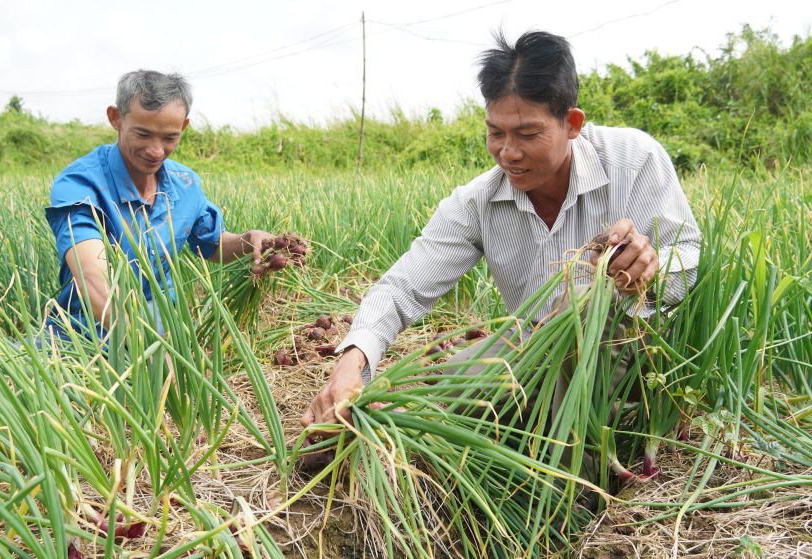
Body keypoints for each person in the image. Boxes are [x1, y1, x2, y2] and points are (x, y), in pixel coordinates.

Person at [302, 30, 701, 429]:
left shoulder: (633, 159)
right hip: (533, 355)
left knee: (583, 301)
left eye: (527, 134)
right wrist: (353, 359)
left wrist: (649, 267)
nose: (508, 152)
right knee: (446, 384)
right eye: (496, 133)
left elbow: (689, 256)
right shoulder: (478, 202)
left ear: (572, 123)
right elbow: (403, 287)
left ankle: (575, 462)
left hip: (636, 359)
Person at [44, 70, 273, 341]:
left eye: (169, 138)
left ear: (183, 127)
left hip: (161, 320)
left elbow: (212, 245)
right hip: (86, 325)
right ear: (116, 118)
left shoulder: (184, 183)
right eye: (143, 134)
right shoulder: (80, 184)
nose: (156, 151)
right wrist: (146, 346)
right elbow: (92, 281)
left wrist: (249, 240)